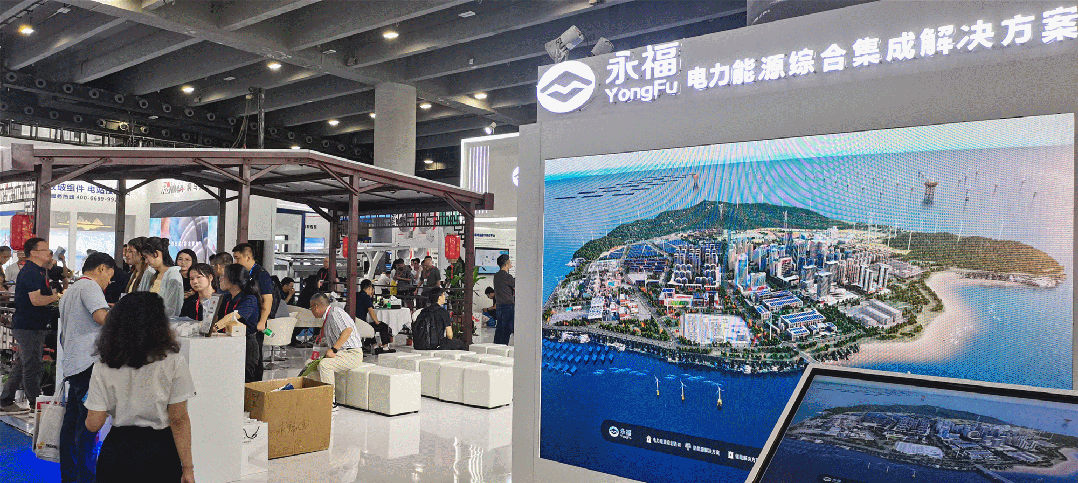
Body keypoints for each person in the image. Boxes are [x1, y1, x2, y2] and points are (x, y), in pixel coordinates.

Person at [84, 292, 195, 483]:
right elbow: (179, 419)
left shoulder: (104, 365)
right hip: (160, 453)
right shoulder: (174, 362)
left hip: (118, 451)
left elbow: (93, 423)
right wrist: (188, 468)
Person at [58, 252, 115, 482]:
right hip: (88, 364)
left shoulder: (72, 289)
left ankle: (70, 475)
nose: (109, 281)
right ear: (101, 268)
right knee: (88, 425)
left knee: (71, 423)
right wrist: (126, 318)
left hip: (74, 363)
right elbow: (102, 317)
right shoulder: (90, 287)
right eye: (109, 275)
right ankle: (87, 476)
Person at [1, 238, 61, 414]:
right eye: (45, 250)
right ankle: (35, 402)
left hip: (32, 325)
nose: (49, 253)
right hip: (29, 326)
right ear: (34, 253)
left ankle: (6, 399)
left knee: (23, 363)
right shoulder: (31, 272)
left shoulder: (38, 271)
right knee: (32, 365)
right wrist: (57, 297)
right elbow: (36, 300)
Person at [309, 293, 365, 388]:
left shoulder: (335, 312)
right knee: (310, 366)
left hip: (352, 354)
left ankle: (330, 396)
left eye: (311, 308)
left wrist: (334, 349)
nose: (311, 311)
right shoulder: (328, 316)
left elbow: (348, 330)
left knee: (325, 365)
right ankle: (318, 392)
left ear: (316, 306)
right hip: (342, 354)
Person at [218, 264, 262, 383]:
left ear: (234, 280)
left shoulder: (249, 299)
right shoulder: (227, 298)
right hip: (228, 341)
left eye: (223, 276)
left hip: (246, 343)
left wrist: (215, 327)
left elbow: (233, 317)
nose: (220, 279)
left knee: (244, 380)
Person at [138, 237, 184, 317]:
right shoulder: (150, 274)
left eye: (146, 257)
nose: (146, 261)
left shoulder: (173, 276)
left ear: (156, 254)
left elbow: (172, 309)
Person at [357, 279, 395, 354]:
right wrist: (377, 321)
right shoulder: (366, 297)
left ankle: (375, 347)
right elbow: (371, 311)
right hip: (361, 324)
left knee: (370, 327)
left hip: (354, 322)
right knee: (383, 326)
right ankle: (385, 347)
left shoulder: (356, 295)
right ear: (369, 288)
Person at [493, 254, 515, 345]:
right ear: (506, 264)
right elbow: (516, 287)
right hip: (508, 305)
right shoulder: (508, 276)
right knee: (507, 329)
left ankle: (496, 346)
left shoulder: (496, 276)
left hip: (499, 305)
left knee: (499, 328)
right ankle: (503, 347)